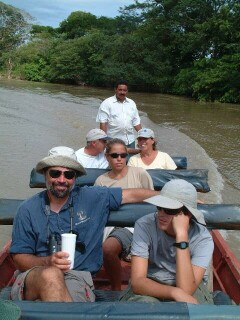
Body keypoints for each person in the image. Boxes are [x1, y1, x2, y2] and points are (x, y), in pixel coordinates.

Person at [9, 146, 159, 302]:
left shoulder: (93, 197)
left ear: (75, 178)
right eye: (55, 173)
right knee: (50, 274)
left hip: (77, 277)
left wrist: (169, 197)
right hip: (33, 275)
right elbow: (19, 258)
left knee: (57, 291)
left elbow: (133, 195)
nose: (62, 180)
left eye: (68, 174)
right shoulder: (28, 209)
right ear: (45, 174)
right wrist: (47, 261)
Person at [121, 179, 214, 304]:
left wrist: (181, 236)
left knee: (186, 308)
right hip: (151, 281)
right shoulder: (144, 225)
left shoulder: (203, 239)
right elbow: (138, 282)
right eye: (160, 207)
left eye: (170, 210)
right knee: (143, 306)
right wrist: (174, 292)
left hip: (189, 285)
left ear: (187, 214)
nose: (161, 213)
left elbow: (186, 290)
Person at [95, 138, 154, 290]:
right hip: (111, 226)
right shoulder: (101, 181)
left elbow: (154, 201)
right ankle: (116, 288)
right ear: (107, 157)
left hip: (138, 225)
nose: (119, 159)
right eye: (115, 155)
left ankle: (116, 289)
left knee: (108, 248)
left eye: (123, 155)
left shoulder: (140, 174)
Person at [96, 80, 142, 154]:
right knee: (116, 163)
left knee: (130, 163)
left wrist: (144, 135)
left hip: (130, 141)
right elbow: (103, 123)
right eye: (120, 90)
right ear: (115, 90)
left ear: (127, 91)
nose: (122, 92)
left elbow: (136, 122)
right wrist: (104, 140)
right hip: (114, 141)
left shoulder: (131, 103)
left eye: (124, 90)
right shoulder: (107, 103)